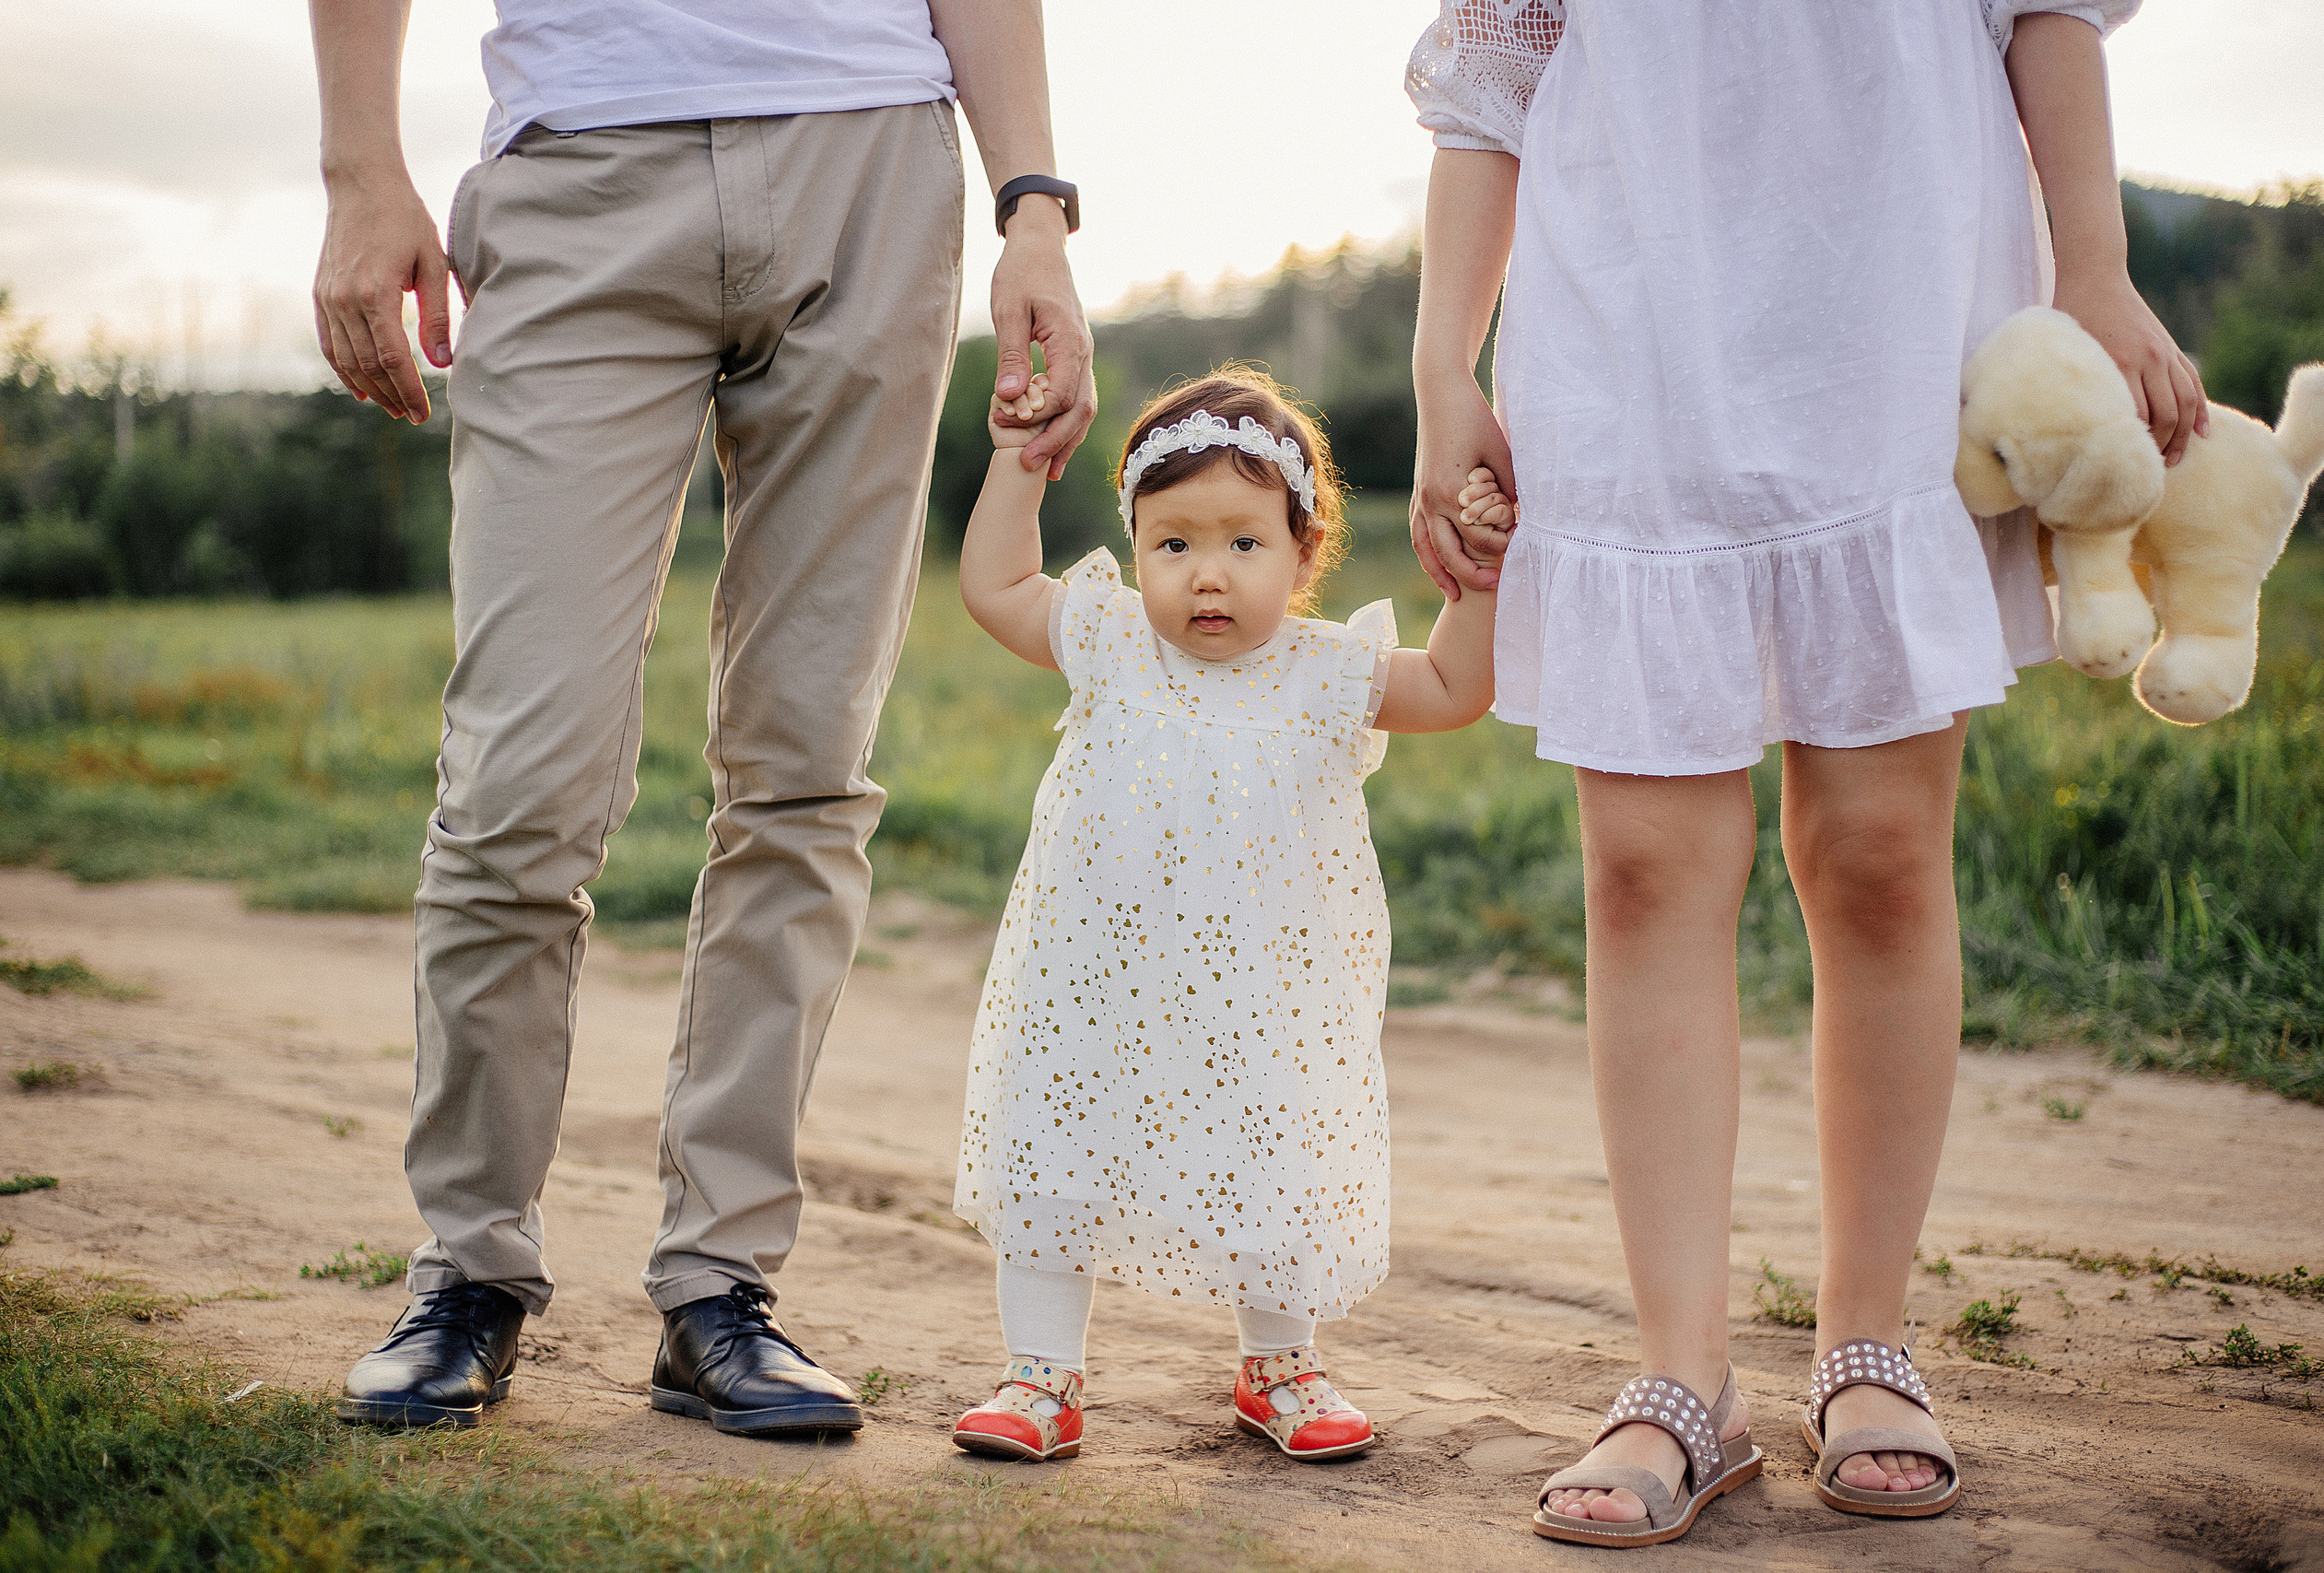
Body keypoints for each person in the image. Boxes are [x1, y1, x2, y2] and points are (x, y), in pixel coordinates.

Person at [1404, 0, 2199, 1545]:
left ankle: (1867, 1341)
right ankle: (1680, 1378)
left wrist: (2093, 272)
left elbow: (2046, 15)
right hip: (1630, 342)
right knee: (1643, 869)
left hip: (1898, 324)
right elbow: (1487, 90)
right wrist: (1447, 364)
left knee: (1881, 852)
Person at [310, 0, 1097, 1435]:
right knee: (519, 779)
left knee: (806, 768)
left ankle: (718, 1285)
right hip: (579, 166)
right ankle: (470, 1267)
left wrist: (1032, 202)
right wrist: (362, 167)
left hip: (872, 161)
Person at [947, 367, 1498, 1462]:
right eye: (1174, 544)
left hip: (1268, 997)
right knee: (1057, 1148)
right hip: (1092, 985)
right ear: (1136, 545)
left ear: (1304, 553)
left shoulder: (1328, 671)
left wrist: (1478, 574)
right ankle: (1038, 1377)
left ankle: (1280, 1368)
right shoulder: (1108, 641)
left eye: (1244, 543)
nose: (1208, 575)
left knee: (1272, 1158)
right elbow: (996, 584)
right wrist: (1020, 459)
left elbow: (1453, 687)